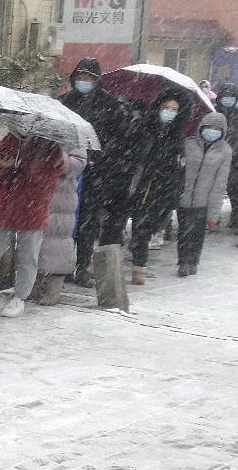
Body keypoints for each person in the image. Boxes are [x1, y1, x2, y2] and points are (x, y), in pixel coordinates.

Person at [0, 130, 64, 318]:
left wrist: (24, 164)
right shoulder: (9, 140)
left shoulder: (50, 146)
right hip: (5, 205)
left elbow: (50, 179)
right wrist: (3, 166)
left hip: (32, 206)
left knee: (27, 255)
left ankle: (20, 297)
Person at [58, 57, 131, 288]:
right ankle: (63, 267)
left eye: (88, 77)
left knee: (88, 223)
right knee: (64, 222)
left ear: (96, 80)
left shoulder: (110, 105)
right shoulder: (64, 102)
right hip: (67, 171)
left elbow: (120, 139)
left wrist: (102, 158)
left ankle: (82, 266)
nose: (83, 81)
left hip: (97, 173)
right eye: (79, 77)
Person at [125, 88, 190, 285]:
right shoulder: (145, 128)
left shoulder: (177, 136)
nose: (169, 111)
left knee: (146, 228)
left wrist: (174, 190)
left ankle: (139, 263)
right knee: (134, 226)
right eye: (166, 107)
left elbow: (179, 167)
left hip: (160, 189)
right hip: (138, 185)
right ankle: (133, 265)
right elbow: (133, 153)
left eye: (174, 109)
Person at [176, 112, 232, 276]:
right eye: (209, 127)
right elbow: (179, 171)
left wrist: (214, 215)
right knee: (184, 231)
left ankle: (193, 260)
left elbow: (220, 184)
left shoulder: (225, 151)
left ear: (222, 131)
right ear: (202, 127)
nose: (212, 130)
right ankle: (183, 262)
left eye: (217, 128)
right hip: (184, 198)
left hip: (203, 202)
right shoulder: (188, 144)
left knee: (197, 234)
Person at [37, 147, 87, 305]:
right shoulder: (42, 134)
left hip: (62, 200)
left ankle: (53, 288)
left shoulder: (73, 138)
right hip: (40, 195)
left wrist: (58, 157)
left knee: (58, 241)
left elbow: (78, 163)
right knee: (38, 241)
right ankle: (37, 285)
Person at [215, 83, 238, 229]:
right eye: (225, 96)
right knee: (214, 188)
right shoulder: (214, 112)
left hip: (235, 158)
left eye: (232, 96)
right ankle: (213, 217)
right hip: (216, 156)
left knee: (233, 187)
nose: (228, 99)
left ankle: (235, 216)